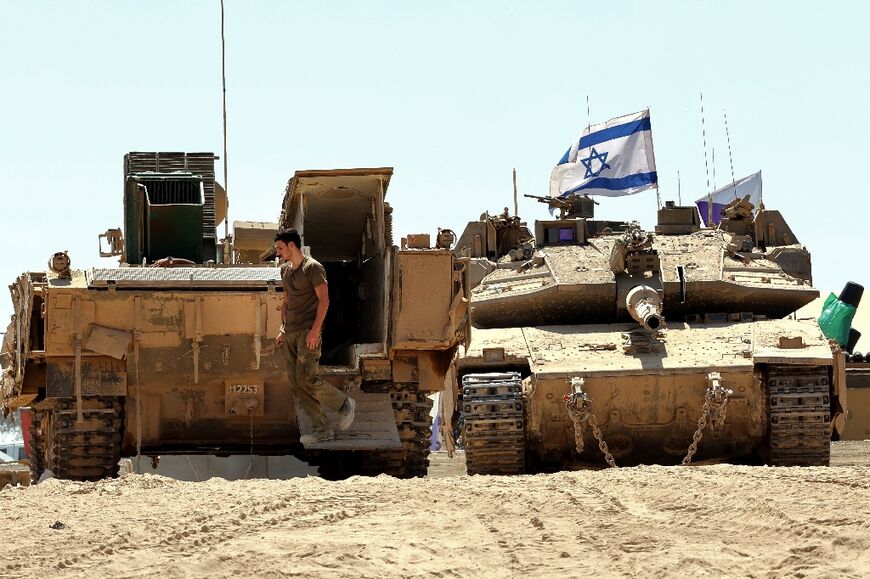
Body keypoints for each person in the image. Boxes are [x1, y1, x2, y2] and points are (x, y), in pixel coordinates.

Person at [273, 228, 355, 444]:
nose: (278, 253)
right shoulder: (285, 271)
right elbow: (287, 301)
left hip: (308, 332)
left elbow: (324, 301)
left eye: (280, 248)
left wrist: (315, 330)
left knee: (307, 378)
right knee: (296, 383)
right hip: (290, 331)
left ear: (292, 245)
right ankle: (323, 430)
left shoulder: (313, 268)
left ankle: (344, 404)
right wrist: (282, 328)